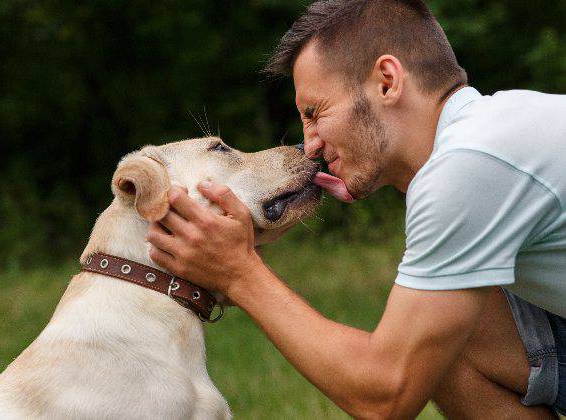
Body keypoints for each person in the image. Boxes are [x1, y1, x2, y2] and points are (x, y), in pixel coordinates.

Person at [145, 0, 566, 418]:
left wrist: (239, 273)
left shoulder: (468, 166)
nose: (308, 144)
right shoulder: (490, 136)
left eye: (315, 112)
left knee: (424, 350)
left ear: (387, 81)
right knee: (441, 335)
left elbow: (385, 394)